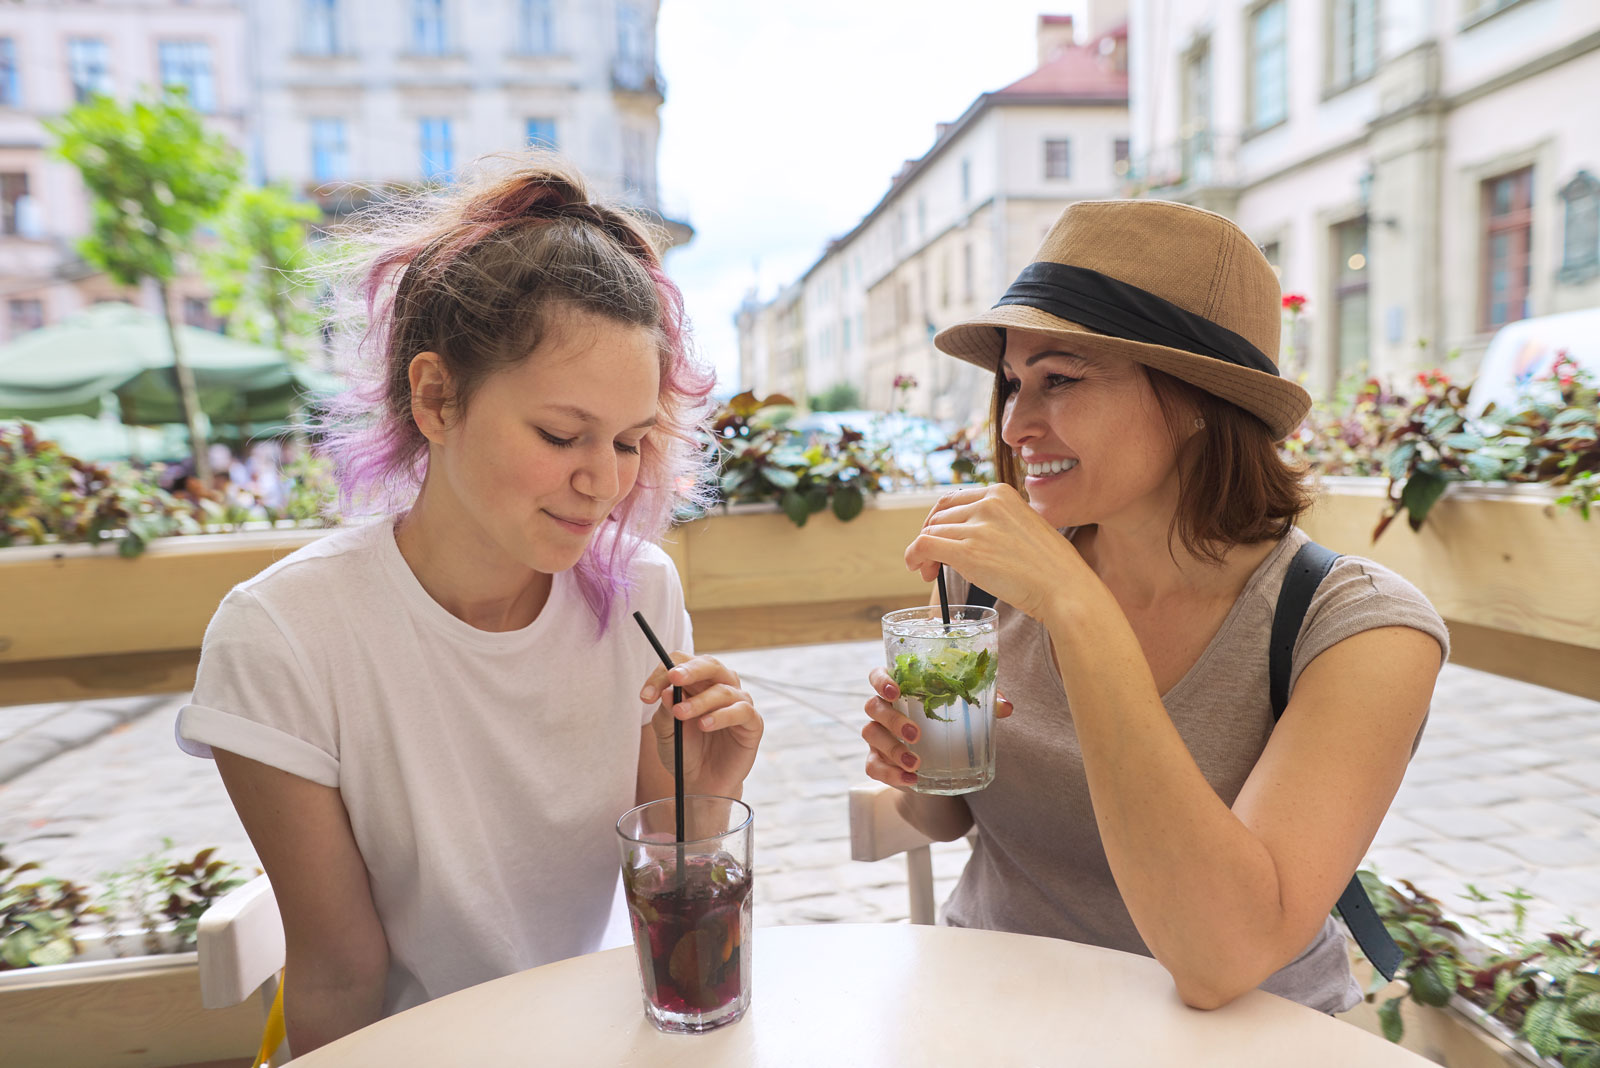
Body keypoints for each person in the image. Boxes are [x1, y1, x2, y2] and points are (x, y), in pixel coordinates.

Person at [177, 156, 764, 1054]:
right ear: (436, 397)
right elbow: (339, 974)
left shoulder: (643, 591)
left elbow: (672, 902)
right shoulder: (286, 636)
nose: (603, 482)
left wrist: (707, 796)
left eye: (630, 441)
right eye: (561, 434)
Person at [860, 200, 1448, 1014]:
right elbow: (946, 819)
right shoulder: (986, 582)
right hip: (993, 1012)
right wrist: (918, 766)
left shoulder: (1356, 627)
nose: (1017, 423)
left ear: (1200, 397)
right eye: (1011, 383)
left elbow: (1221, 958)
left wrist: (1078, 611)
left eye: (1060, 379)